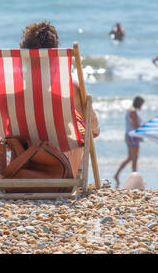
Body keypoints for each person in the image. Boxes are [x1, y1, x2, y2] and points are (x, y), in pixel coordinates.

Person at [19, 21, 101, 177]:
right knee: (81, 128)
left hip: (23, 166)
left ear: (24, 55)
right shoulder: (70, 87)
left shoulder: (11, 89)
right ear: (55, 54)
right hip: (62, 170)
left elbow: (0, 130)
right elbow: (94, 127)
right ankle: (73, 179)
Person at [114, 96, 145, 188]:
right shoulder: (133, 112)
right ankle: (135, 178)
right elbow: (136, 126)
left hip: (130, 136)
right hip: (133, 136)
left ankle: (117, 175)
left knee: (130, 158)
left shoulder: (130, 110)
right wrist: (145, 129)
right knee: (134, 158)